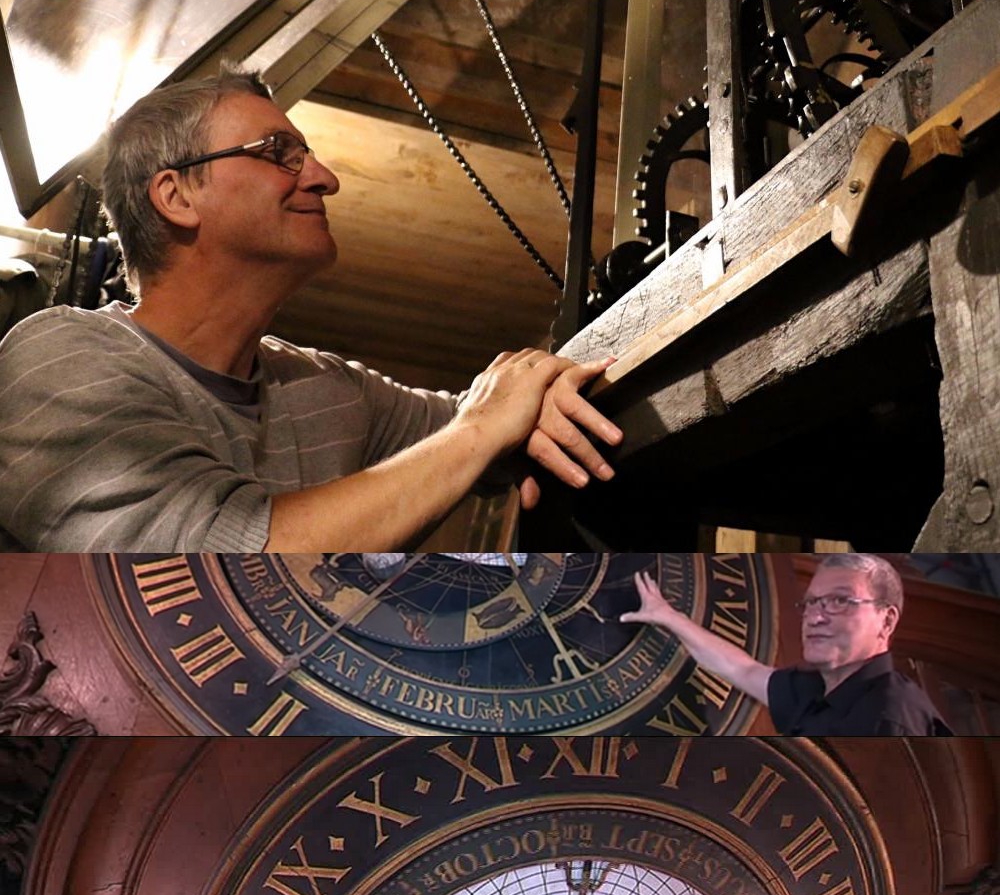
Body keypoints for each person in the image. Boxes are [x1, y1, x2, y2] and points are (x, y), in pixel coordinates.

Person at [0, 67, 622, 551]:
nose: (325, 177)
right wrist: (482, 431)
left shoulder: (329, 392)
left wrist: (526, 394)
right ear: (177, 194)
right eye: (279, 152)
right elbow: (210, 574)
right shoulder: (60, 358)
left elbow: (490, 424)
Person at [621, 553, 952, 735]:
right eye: (811, 603)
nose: (814, 617)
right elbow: (742, 669)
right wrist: (668, 616)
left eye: (839, 601)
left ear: (887, 620)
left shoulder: (890, 717)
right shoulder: (814, 690)